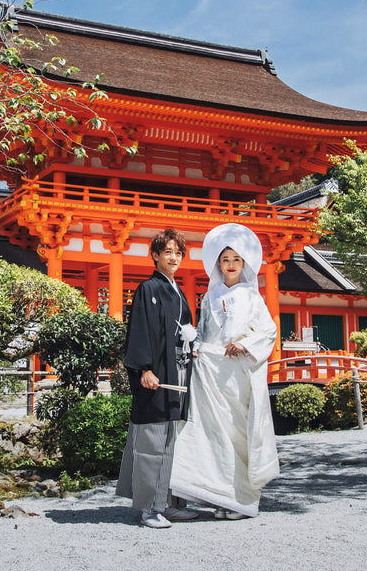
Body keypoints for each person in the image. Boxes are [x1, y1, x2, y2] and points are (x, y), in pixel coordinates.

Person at [169, 222, 279, 519]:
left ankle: (243, 500)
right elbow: (204, 331)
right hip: (210, 373)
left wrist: (245, 345)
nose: (230, 265)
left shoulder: (253, 297)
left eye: (236, 260)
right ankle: (220, 497)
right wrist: (196, 345)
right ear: (218, 264)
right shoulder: (210, 295)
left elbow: (268, 331)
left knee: (238, 435)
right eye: (225, 260)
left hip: (237, 375)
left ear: (244, 264)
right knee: (212, 435)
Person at [115, 227, 200, 528]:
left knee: (173, 439)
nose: (174, 257)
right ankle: (149, 508)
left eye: (178, 253)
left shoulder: (177, 291)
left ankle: (171, 503)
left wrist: (194, 347)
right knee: (152, 440)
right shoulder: (148, 289)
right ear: (155, 256)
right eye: (168, 252)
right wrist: (143, 369)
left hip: (178, 375)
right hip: (156, 376)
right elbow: (141, 331)